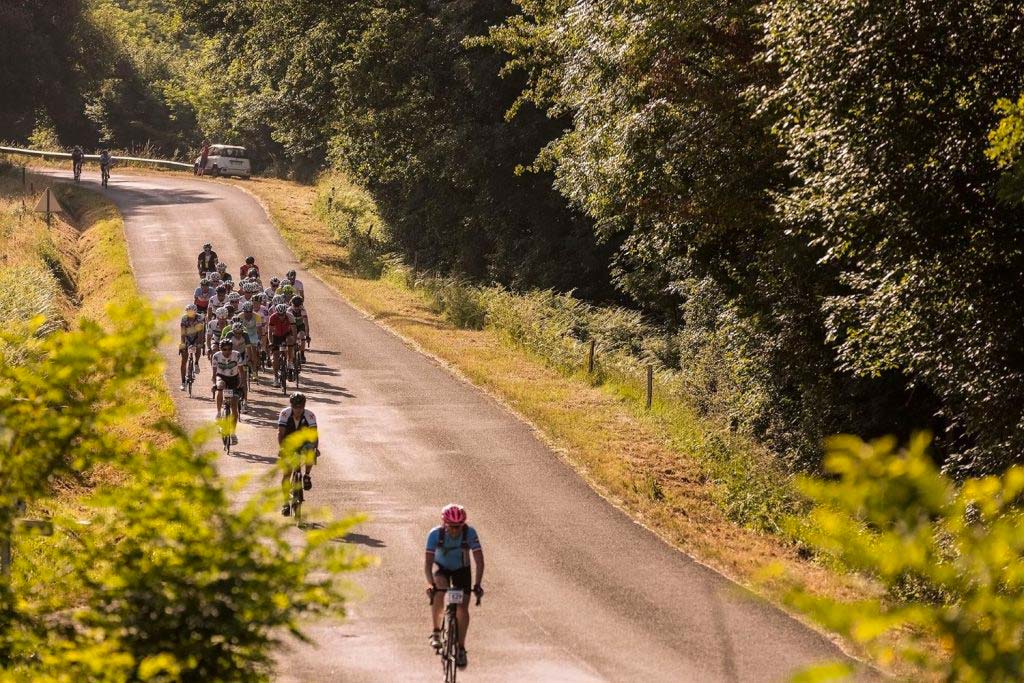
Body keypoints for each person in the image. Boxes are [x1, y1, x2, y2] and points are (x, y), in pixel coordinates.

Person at [425, 504, 484, 669]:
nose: (455, 530)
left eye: (458, 526)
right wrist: (430, 583)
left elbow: (479, 561)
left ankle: (461, 648)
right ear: (444, 524)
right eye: (451, 526)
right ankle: (436, 631)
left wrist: (477, 584)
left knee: (461, 609)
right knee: (439, 590)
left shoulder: (469, 533)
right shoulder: (435, 534)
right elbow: (428, 563)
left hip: (461, 570)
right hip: (442, 569)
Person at [278, 392, 319, 516]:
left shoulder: (310, 415)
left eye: (300, 407)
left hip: (304, 443)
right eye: (295, 407)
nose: (298, 410)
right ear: (291, 406)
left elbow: (314, 436)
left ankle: (306, 475)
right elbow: (280, 433)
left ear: (304, 406)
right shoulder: (284, 414)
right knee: (286, 474)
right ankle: (285, 503)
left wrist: (315, 448)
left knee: (311, 452)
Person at [211, 337, 244, 444]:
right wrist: (214, 384)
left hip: (234, 378)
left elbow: (241, 371)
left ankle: (233, 433)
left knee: (234, 409)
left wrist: (241, 383)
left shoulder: (237, 355)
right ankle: (218, 413)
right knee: (220, 385)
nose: (227, 351)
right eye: (224, 349)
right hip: (221, 377)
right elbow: (214, 374)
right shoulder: (216, 356)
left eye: (229, 349)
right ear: (221, 349)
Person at [267, 303, 296, 387]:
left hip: (287, 334)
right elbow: (270, 331)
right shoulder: (273, 317)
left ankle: (290, 361)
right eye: (279, 314)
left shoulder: (289, 316)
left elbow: (294, 329)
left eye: (283, 314)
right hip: (276, 336)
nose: (281, 316)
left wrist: (294, 341)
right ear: (276, 313)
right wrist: (270, 342)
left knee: (290, 340)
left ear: (285, 312)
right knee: (275, 357)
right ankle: (276, 378)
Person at [179, 304, 205, 390]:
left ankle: (196, 363)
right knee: (184, 361)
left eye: (192, 312)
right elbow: (183, 333)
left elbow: (201, 333)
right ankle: (183, 382)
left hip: (196, 336)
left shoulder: (200, 318)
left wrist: (199, 343)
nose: (190, 314)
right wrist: (182, 344)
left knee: (198, 347)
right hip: (187, 337)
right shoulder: (184, 319)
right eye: (189, 312)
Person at [289, 295, 311, 361]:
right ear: (291, 304)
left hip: (300, 325)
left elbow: (306, 324)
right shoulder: (289, 310)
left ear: (301, 305)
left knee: (302, 336)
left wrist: (307, 336)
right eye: (295, 306)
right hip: (291, 326)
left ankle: (302, 354)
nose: (296, 308)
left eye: (298, 306)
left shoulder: (303, 310)